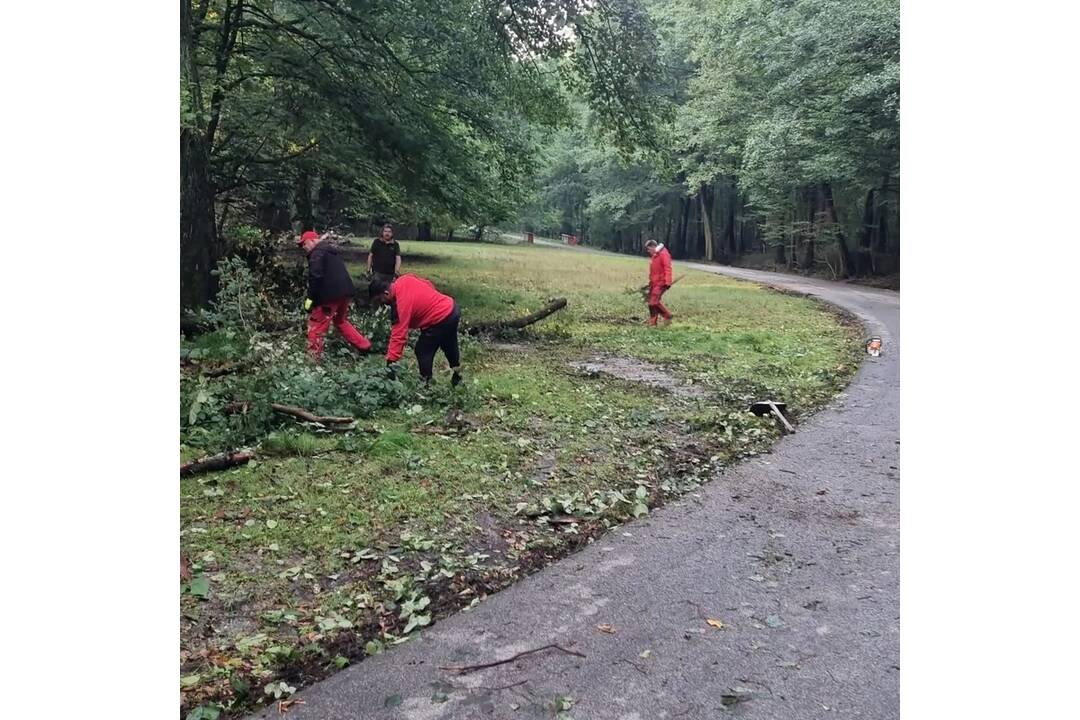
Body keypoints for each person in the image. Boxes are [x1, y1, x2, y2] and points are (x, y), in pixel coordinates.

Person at [368, 274, 462, 386]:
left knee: (422, 350)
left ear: (386, 293)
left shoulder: (400, 305)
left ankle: (426, 384)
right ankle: (458, 376)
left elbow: (398, 336)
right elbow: (427, 283)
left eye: (379, 300)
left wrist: (390, 365)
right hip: (451, 308)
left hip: (440, 318)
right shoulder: (404, 279)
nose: (381, 303)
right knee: (449, 344)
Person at [298, 230, 372, 360]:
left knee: (316, 325)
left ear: (311, 241)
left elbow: (316, 277)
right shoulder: (330, 251)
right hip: (345, 293)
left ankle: (313, 359)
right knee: (340, 321)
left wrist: (310, 299)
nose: (304, 247)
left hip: (329, 297)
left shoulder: (317, 254)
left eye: (304, 244)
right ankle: (364, 345)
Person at [644, 238, 673, 326]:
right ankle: (653, 322)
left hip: (661, 283)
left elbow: (667, 268)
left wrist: (668, 282)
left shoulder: (664, 254)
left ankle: (667, 315)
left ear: (653, 246)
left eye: (648, 249)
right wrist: (650, 282)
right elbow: (654, 271)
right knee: (651, 303)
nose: (648, 251)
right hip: (655, 283)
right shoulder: (655, 255)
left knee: (653, 302)